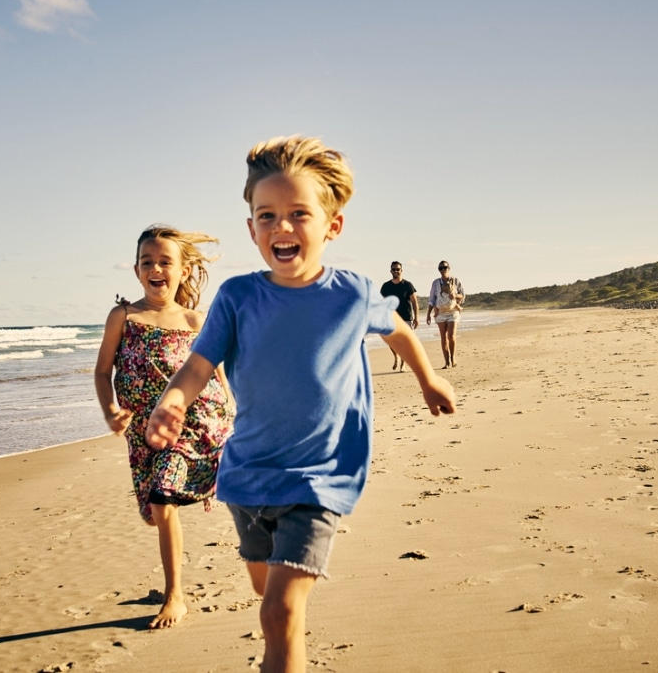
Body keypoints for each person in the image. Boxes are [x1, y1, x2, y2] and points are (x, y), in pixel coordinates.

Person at [145, 136, 456, 672]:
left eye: (298, 214)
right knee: (272, 609)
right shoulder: (238, 297)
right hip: (247, 478)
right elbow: (199, 364)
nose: (281, 228)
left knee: (280, 611)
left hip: (319, 478)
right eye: (266, 216)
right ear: (251, 228)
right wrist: (172, 399)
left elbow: (399, 328)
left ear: (332, 225)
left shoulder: (352, 293)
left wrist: (429, 380)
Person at [93, 224, 235, 629]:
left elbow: (219, 376)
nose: (156, 268)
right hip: (144, 433)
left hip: (196, 424)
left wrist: (234, 409)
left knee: (162, 498)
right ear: (137, 271)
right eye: (147, 262)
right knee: (155, 512)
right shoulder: (123, 316)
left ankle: (176, 596)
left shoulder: (195, 320)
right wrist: (110, 410)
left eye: (165, 262)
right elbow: (103, 372)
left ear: (184, 270)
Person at [379, 260, 419, 372]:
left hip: (406, 317)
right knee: (391, 340)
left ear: (401, 271)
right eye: (394, 269)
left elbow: (414, 302)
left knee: (405, 342)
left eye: (398, 269)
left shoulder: (407, 285)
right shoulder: (386, 286)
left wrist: (416, 318)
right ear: (390, 271)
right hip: (391, 318)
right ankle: (396, 356)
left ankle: (403, 364)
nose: (396, 271)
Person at [426, 260, 465, 369]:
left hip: (453, 311)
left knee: (451, 336)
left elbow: (462, 295)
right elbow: (432, 299)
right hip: (440, 312)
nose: (443, 270)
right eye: (441, 268)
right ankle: (447, 362)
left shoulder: (456, 280)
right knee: (443, 337)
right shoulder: (436, 283)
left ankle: (452, 358)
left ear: (449, 268)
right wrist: (428, 314)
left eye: (445, 267)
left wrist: (455, 295)